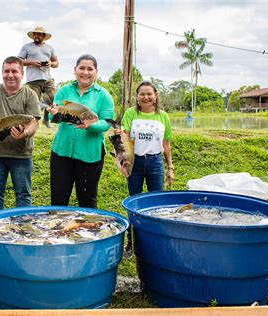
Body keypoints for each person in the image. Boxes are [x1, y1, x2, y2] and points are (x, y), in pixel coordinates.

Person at [47, 54, 114, 208]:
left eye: (90, 69)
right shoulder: (64, 91)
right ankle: (58, 230)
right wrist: (55, 112)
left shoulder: (104, 95)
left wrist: (90, 125)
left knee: (87, 199)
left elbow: (106, 123)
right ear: (75, 70)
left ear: (96, 72)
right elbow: (58, 117)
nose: (85, 72)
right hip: (61, 152)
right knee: (58, 197)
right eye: (81, 68)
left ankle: (88, 230)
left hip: (90, 154)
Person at [0, 56, 41, 212]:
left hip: (22, 155)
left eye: (14, 71)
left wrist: (25, 133)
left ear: (22, 74)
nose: (10, 75)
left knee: (23, 194)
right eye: (6, 71)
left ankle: (22, 228)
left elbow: (34, 122)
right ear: (2, 73)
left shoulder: (30, 94)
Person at [120, 81, 174, 195]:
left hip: (156, 162)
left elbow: (166, 144)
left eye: (149, 94)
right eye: (142, 94)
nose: (146, 97)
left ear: (156, 96)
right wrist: (122, 161)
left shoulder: (163, 116)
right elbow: (125, 139)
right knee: (134, 198)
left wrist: (170, 168)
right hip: (134, 162)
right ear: (137, 96)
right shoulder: (130, 113)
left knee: (156, 199)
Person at [18, 26, 58, 127]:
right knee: (34, 101)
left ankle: (46, 119)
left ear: (43, 36)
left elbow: (56, 63)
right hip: (33, 80)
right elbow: (18, 61)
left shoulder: (50, 48)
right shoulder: (26, 47)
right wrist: (32, 63)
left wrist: (50, 64)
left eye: (39, 34)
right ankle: (33, 122)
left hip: (47, 78)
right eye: (35, 34)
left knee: (53, 99)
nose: (37, 36)